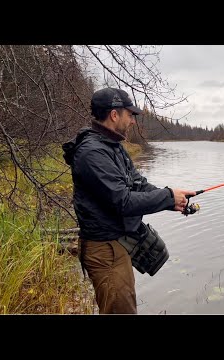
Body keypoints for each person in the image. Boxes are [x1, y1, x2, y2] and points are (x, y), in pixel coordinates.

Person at [62, 87, 195, 314]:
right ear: (115, 115)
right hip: (105, 249)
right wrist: (166, 196)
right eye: (130, 114)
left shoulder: (112, 147)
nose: (132, 121)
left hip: (117, 244)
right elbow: (122, 201)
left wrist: (172, 200)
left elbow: (138, 184)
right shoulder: (92, 153)